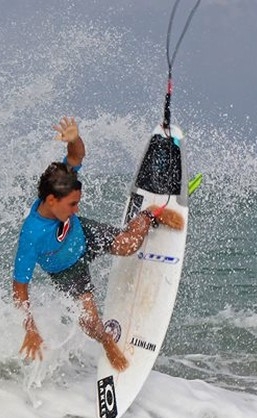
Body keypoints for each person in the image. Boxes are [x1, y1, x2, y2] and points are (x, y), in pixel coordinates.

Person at [12, 117, 184, 372]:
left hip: (85, 235)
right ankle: (107, 341)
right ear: (51, 200)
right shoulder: (31, 236)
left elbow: (76, 156)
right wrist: (30, 328)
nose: (76, 207)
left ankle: (150, 214)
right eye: (72, 204)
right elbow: (20, 288)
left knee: (129, 245)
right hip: (67, 271)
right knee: (90, 323)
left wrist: (74, 139)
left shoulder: (63, 185)